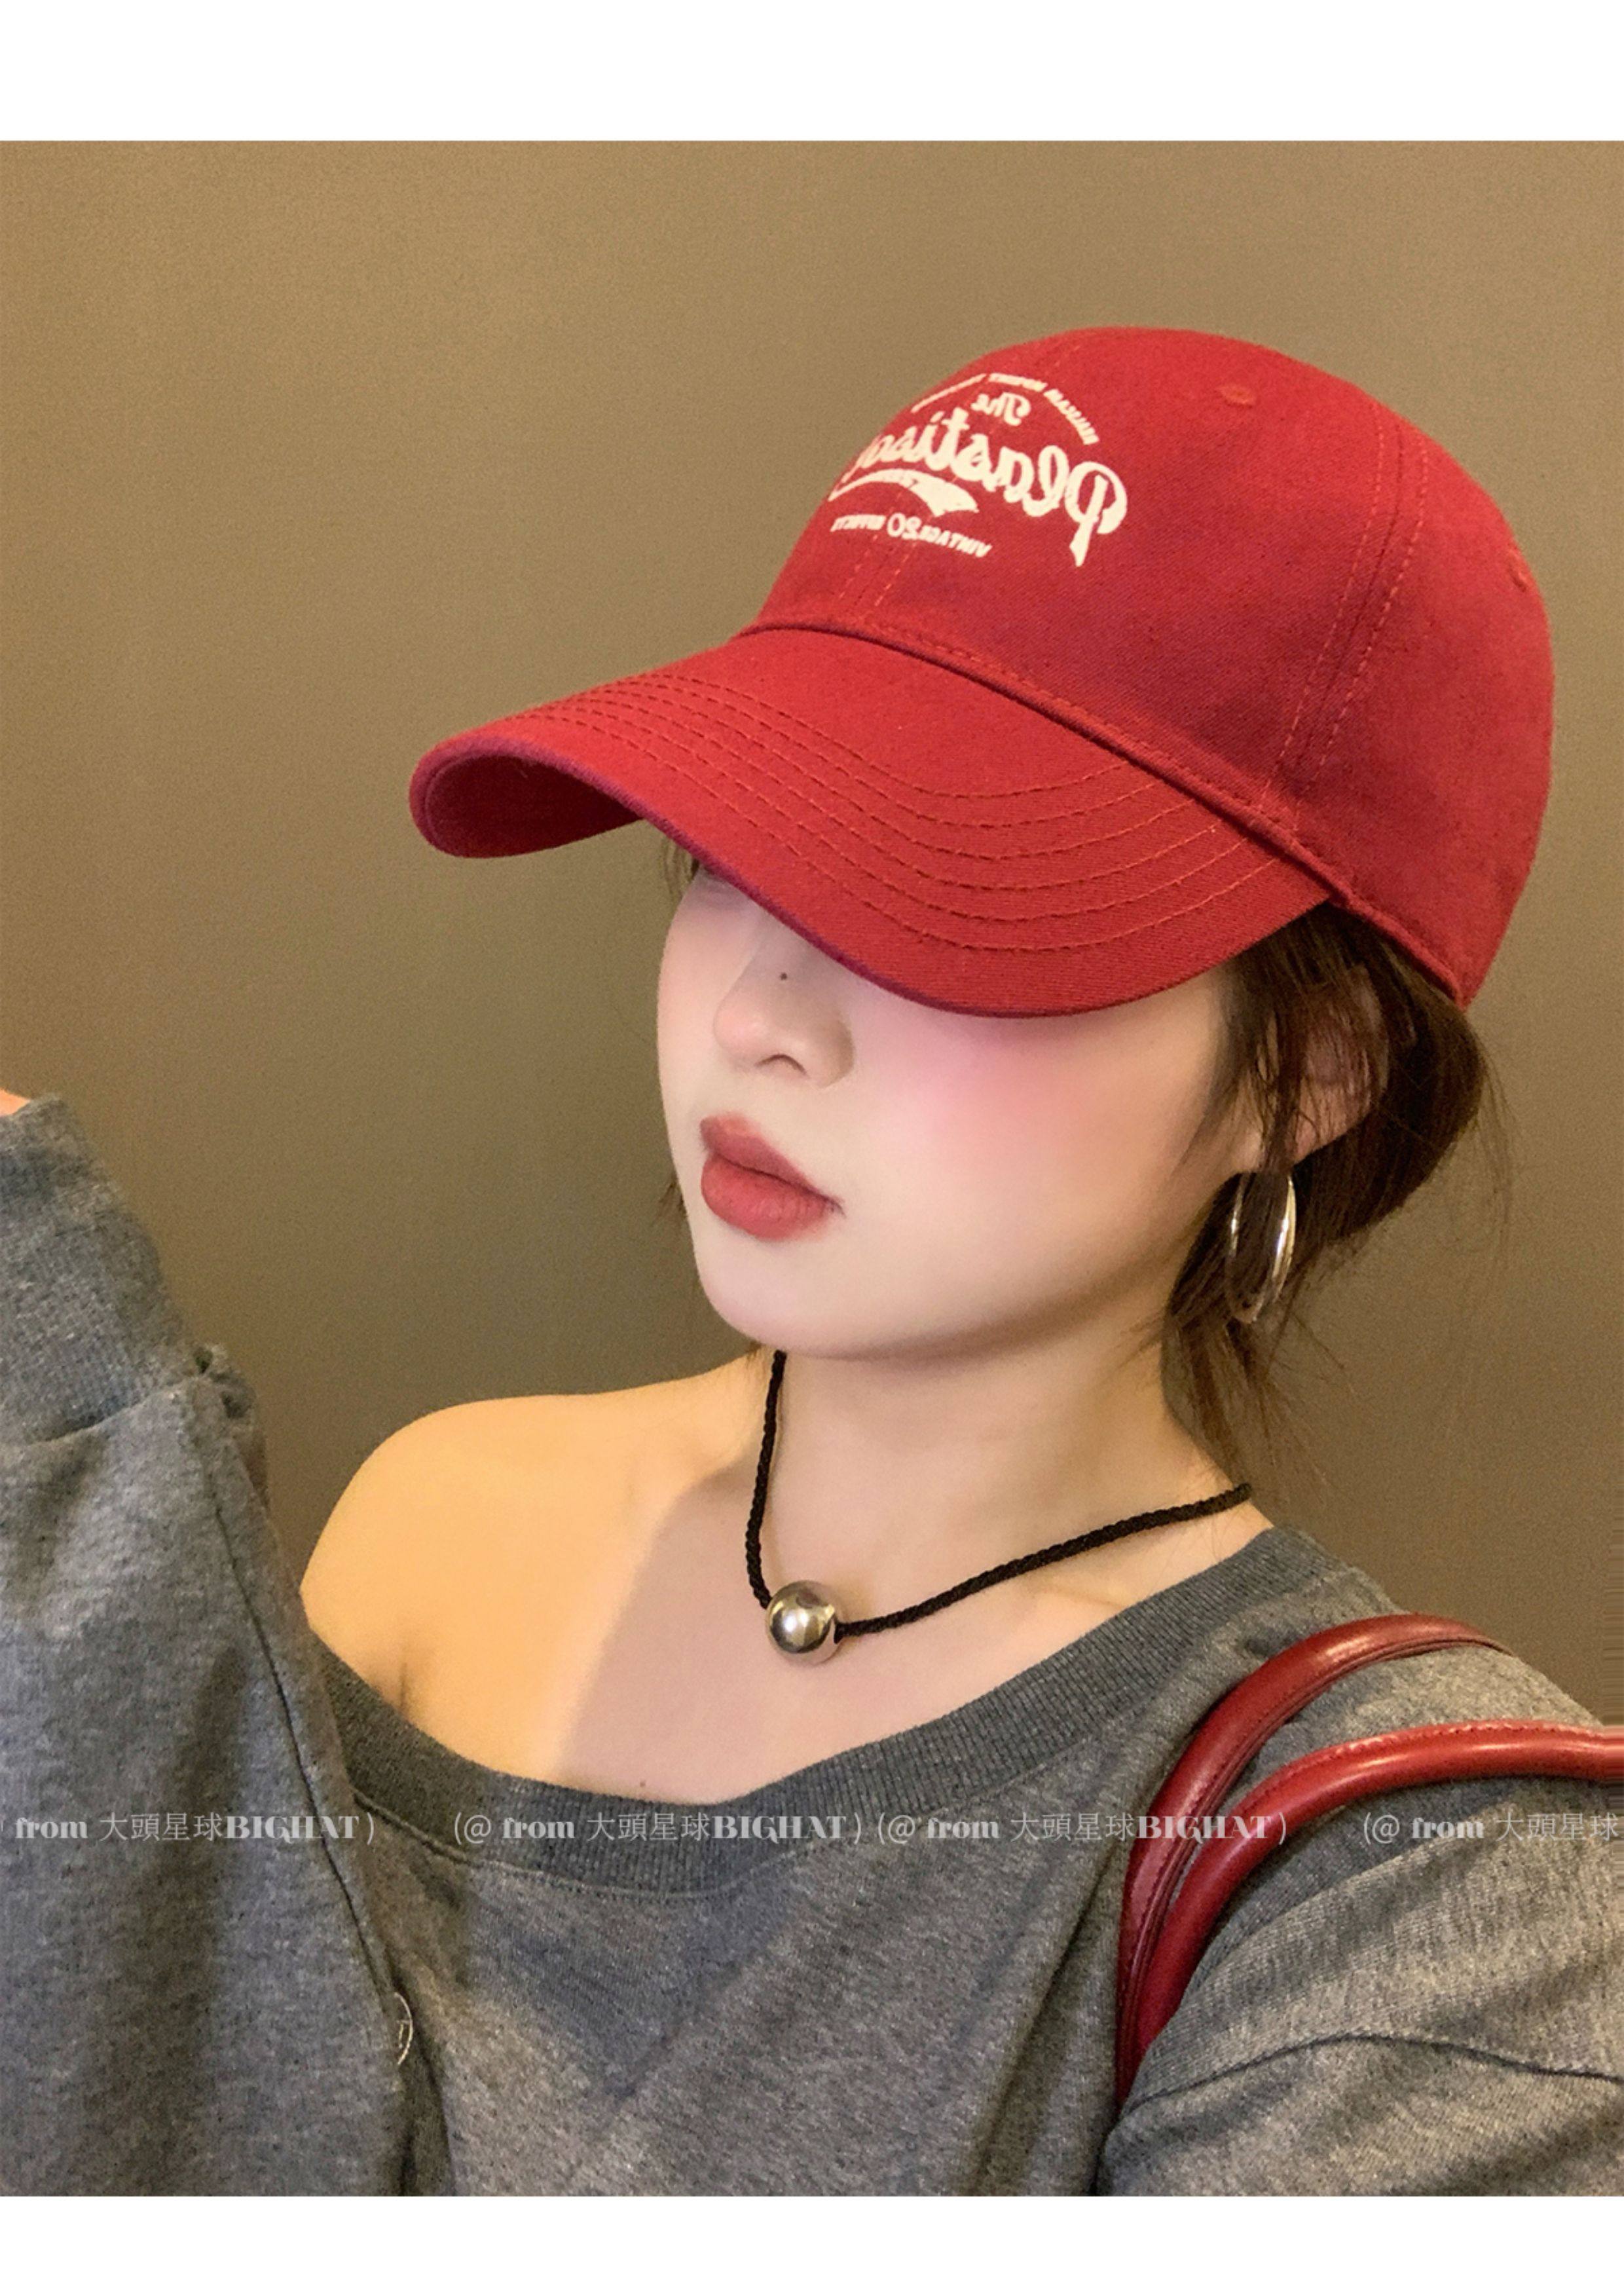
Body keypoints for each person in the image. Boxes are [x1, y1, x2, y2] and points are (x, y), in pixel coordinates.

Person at [0, 325, 1617, 2198]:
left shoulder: (1427, 1883)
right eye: (734, 852)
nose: (759, 1019)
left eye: (955, 906)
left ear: (1308, 1075)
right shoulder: (445, 1519)